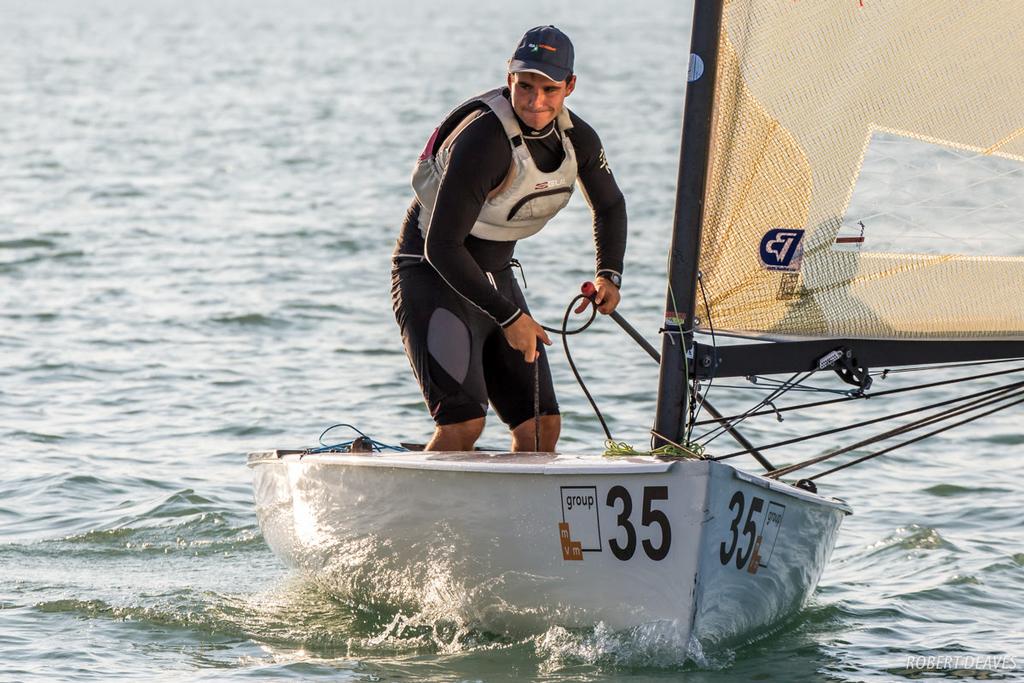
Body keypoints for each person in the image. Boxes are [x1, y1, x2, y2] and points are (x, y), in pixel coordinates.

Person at [392, 25, 627, 453]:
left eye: (550, 89)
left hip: (493, 276)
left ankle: (512, 520)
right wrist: (510, 318)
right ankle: (427, 517)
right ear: (510, 78)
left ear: (569, 86)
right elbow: (441, 246)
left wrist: (609, 274)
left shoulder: (580, 140)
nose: (536, 101)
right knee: (463, 425)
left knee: (541, 428)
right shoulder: (485, 141)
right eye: (526, 86)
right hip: (432, 274)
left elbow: (610, 205)